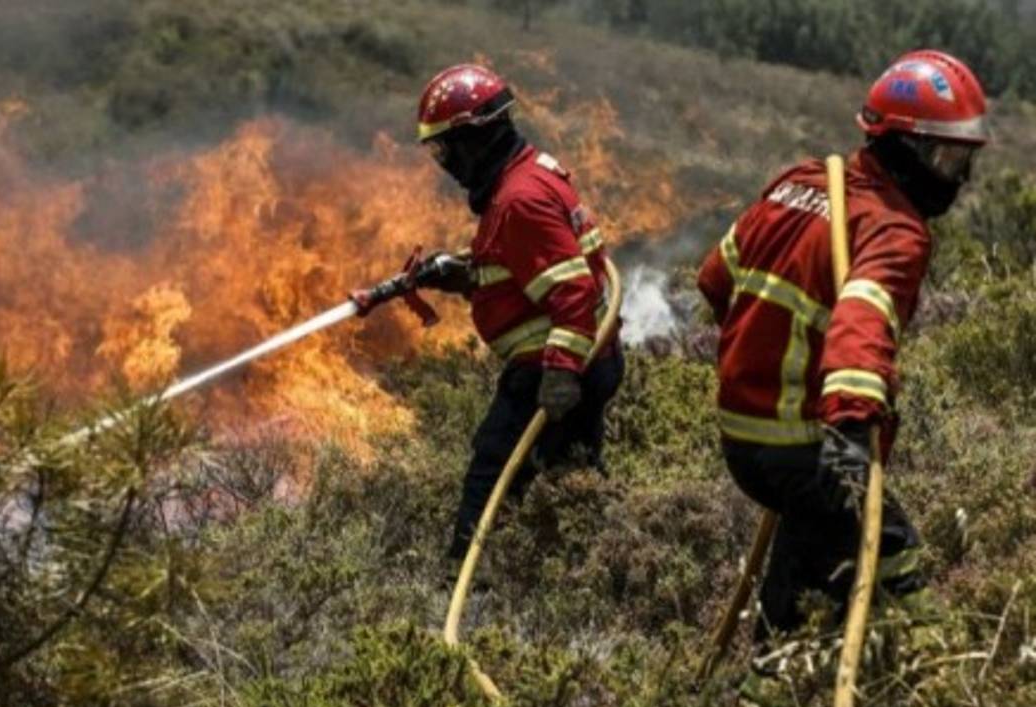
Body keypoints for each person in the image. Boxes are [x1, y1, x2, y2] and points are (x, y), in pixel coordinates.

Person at [696, 50, 988, 645]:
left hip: (740, 441)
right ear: (905, 149)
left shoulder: (795, 185)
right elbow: (862, 321)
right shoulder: (895, 229)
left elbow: (714, 277)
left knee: (806, 564)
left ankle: (769, 679)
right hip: (809, 449)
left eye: (965, 161)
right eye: (947, 159)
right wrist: (852, 432)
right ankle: (936, 691)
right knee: (894, 566)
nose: (957, 179)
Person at [412, 63, 624, 563]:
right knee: (572, 475)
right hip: (589, 357)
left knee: (491, 475)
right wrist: (461, 276)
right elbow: (526, 271)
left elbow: (570, 290)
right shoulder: (527, 176)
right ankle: (602, 566)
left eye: (445, 148)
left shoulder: (518, 201)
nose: (445, 162)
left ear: (473, 139)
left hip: (551, 366)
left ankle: (467, 580)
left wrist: (560, 374)